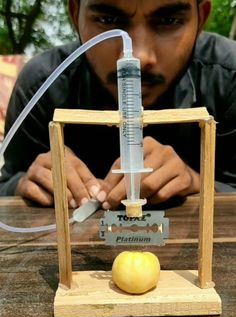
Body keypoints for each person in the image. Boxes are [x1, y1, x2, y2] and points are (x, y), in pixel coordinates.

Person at [0, 0, 235, 211]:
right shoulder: (41, 87)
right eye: (108, 20)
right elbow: (8, 183)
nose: (140, 57)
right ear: (75, 15)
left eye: (169, 20)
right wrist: (26, 184)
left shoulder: (228, 80)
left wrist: (197, 182)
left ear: (201, 18)